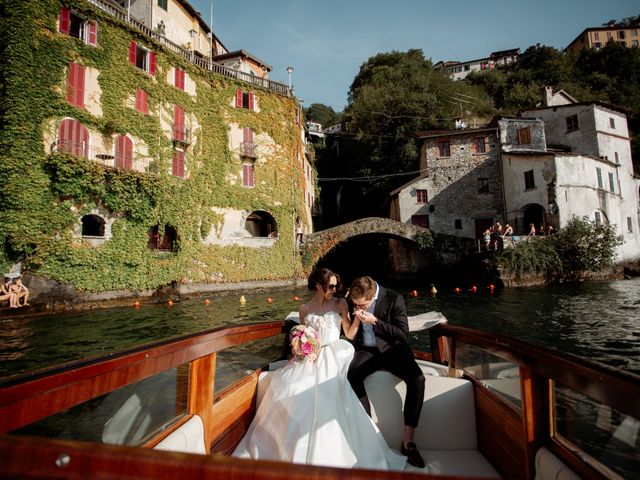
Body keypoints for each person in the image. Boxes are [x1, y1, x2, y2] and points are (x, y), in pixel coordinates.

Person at [233, 268, 406, 470]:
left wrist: (359, 317)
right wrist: (301, 345)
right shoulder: (304, 309)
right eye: (330, 286)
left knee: (329, 392)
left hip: (332, 355)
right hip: (309, 358)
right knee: (290, 389)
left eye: (336, 285)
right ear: (318, 285)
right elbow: (304, 334)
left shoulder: (341, 303)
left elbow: (349, 334)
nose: (334, 289)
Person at [347, 276, 426, 468]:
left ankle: (408, 441)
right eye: (356, 305)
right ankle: (367, 424)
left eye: (363, 305)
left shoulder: (394, 298)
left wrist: (375, 321)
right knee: (351, 375)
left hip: (393, 349)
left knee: (418, 379)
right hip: (366, 350)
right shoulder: (354, 299)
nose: (359, 308)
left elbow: (402, 334)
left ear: (372, 295)